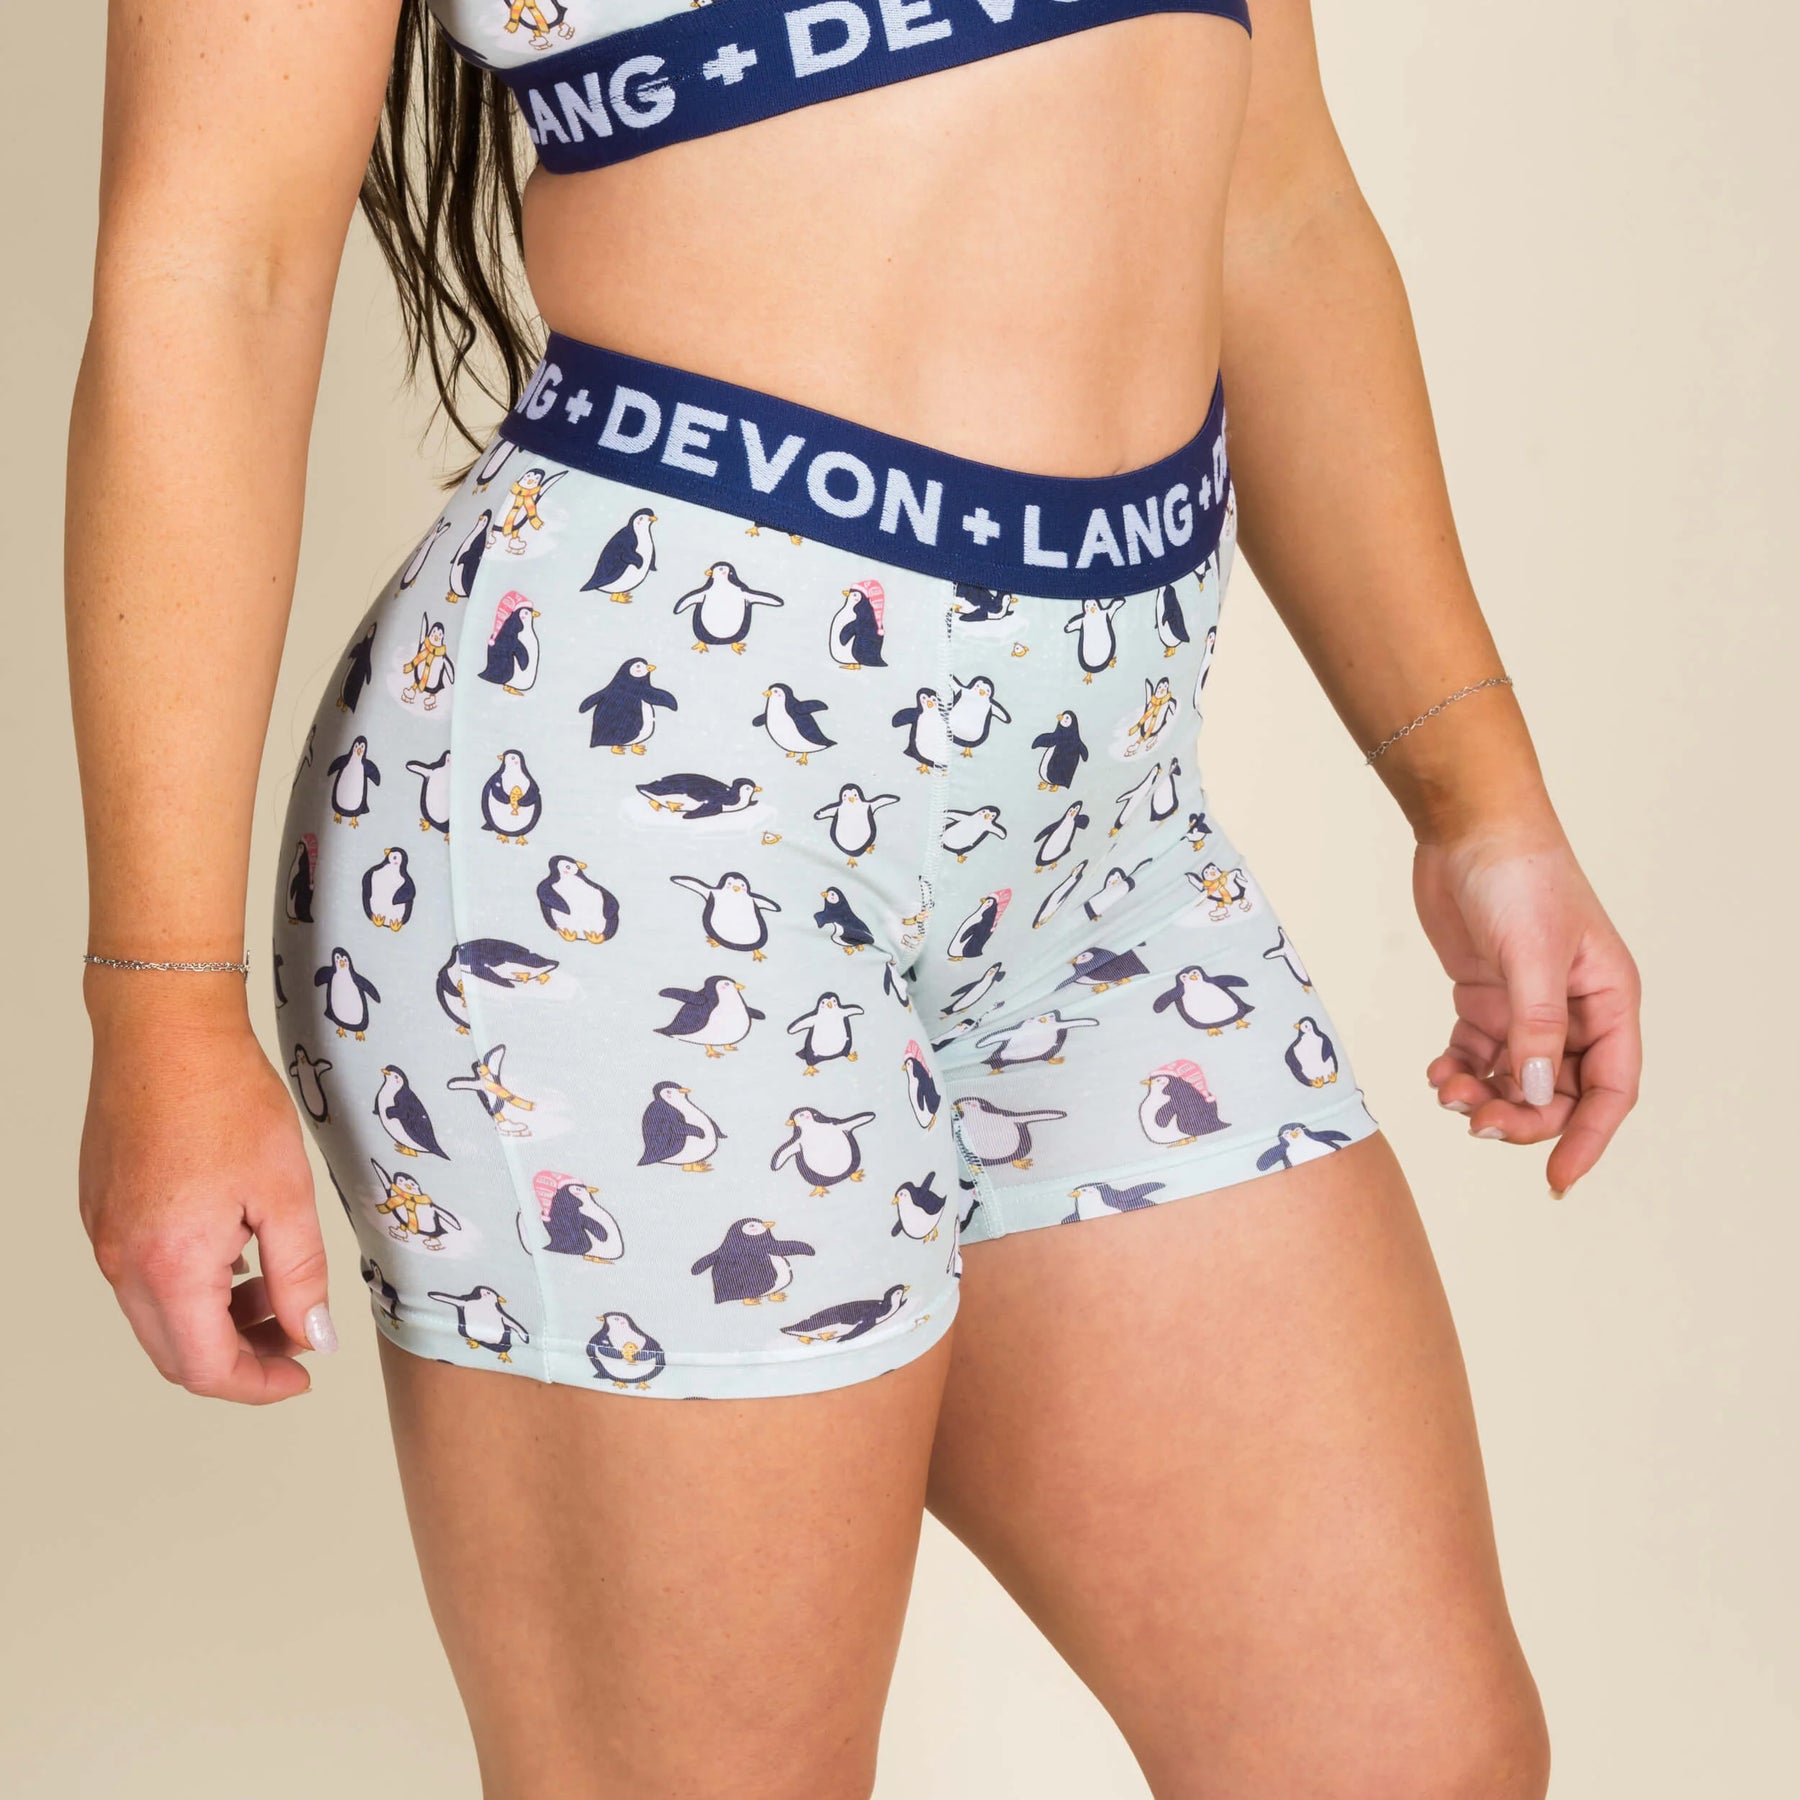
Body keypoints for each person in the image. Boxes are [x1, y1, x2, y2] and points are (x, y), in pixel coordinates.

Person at [66, 0, 1640, 1793]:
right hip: (629, 850)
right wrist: (160, 1001)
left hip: (1098, 835)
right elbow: (216, 271)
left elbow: (1276, 207)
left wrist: (1480, 800)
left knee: (1408, 1758)